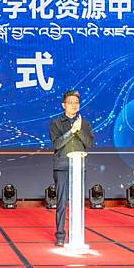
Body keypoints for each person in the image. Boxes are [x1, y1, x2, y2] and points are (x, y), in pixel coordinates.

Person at [49, 90, 94, 247]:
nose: (74, 105)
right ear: (63, 105)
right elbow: (56, 144)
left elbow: (89, 144)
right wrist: (72, 131)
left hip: (79, 168)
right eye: (70, 102)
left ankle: (77, 233)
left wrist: (79, 130)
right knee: (61, 202)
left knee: (78, 201)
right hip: (62, 166)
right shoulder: (56, 123)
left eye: (76, 102)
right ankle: (60, 234)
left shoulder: (85, 123)